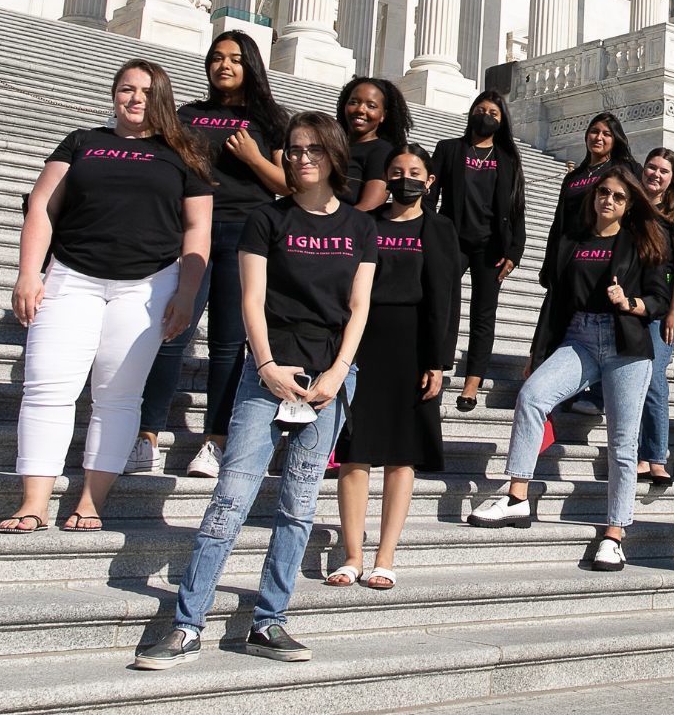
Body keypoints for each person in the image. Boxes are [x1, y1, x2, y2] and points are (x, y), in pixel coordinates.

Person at [133, 112, 376, 670]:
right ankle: (186, 624)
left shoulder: (360, 227)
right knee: (230, 499)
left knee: (297, 506)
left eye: (313, 148)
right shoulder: (268, 218)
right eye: (292, 148)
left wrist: (339, 373)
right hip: (267, 373)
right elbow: (249, 299)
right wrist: (265, 364)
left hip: (329, 380)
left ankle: (270, 622)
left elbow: (359, 306)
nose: (300, 157)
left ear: (335, 155)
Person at [0, 60, 212, 534]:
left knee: (117, 398)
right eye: (126, 89)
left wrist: (187, 294)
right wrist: (28, 274)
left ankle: (90, 501)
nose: (135, 98)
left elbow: (198, 230)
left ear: (163, 98)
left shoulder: (185, 154)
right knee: (47, 388)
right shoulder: (82, 141)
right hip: (72, 277)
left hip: (147, 286)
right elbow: (42, 206)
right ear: (114, 95)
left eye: (146, 91)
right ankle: (32, 501)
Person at [466, 166, 671, 574]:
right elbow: (555, 302)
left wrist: (630, 303)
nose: (607, 200)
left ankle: (614, 535)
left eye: (617, 196)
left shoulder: (642, 242)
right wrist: (538, 352)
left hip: (625, 345)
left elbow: (659, 299)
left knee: (622, 444)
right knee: (532, 396)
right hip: (578, 336)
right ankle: (517, 497)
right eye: (603, 193)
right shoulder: (571, 241)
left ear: (628, 204)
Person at [130, 31, 288, 479]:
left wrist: (255, 158)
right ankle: (146, 437)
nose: (225, 66)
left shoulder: (271, 121)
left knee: (227, 344)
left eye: (235, 59)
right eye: (217, 58)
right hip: (192, 233)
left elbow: (286, 185)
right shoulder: (188, 115)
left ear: (250, 66)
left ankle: (215, 442)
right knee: (171, 335)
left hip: (247, 234)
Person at [328, 146, 459, 590]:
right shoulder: (364, 223)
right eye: (397, 172)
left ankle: (385, 557)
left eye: (415, 172)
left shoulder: (438, 228)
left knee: (402, 454)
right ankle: (351, 555)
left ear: (430, 181)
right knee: (355, 448)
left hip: (413, 344)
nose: (406, 178)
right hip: (362, 341)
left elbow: (446, 297)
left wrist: (438, 360)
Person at [427, 91, 525, 413]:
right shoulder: (449, 149)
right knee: (443, 306)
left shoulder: (506, 158)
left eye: (493, 112)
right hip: (452, 241)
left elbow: (516, 207)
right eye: (480, 109)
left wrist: (515, 250)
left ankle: (472, 382)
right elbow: (430, 194)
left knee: (484, 314)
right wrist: (426, 232)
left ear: (502, 121)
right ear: (470, 113)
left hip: (490, 247)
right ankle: (437, 366)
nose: (485, 115)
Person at [629, 147, 674, 484]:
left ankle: (653, 456)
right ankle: (639, 453)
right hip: (627, 303)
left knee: (653, 376)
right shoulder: (631, 205)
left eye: (663, 171)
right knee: (634, 375)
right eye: (651, 167)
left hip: (661, 308)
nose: (655, 174)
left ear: (673, 178)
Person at [541, 112, 639, 289]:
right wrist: (548, 264)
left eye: (606, 134)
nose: (599, 137)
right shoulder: (573, 177)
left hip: (605, 251)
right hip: (569, 250)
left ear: (615, 139)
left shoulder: (626, 169)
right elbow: (559, 222)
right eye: (594, 131)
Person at [334, 76, 412, 212]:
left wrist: (328, 228)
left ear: (383, 115)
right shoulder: (333, 146)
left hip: (339, 229)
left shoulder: (381, 152)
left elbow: (369, 207)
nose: (360, 110)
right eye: (354, 102)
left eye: (371, 106)